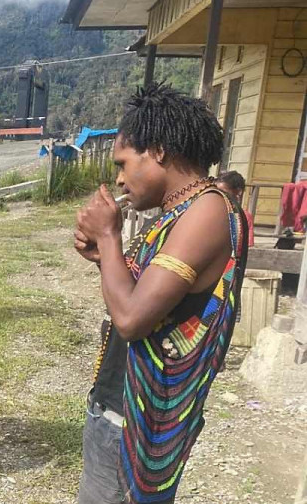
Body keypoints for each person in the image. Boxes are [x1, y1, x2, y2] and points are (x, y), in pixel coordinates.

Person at [73, 83, 249, 504]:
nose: (118, 178)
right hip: (118, 408)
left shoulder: (207, 210)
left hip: (132, 422)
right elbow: (144, 298)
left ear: (158, 151)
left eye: (123, 163)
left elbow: (132, 320)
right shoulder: (181, 211)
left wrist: (110, 235)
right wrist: (104, 257)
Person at [216, 170, 255, 247]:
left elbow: (248, 245)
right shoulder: (212, 212)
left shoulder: (243, 216)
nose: (219, 195)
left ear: (238, 192)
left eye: (223, 192)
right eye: (216, 192)